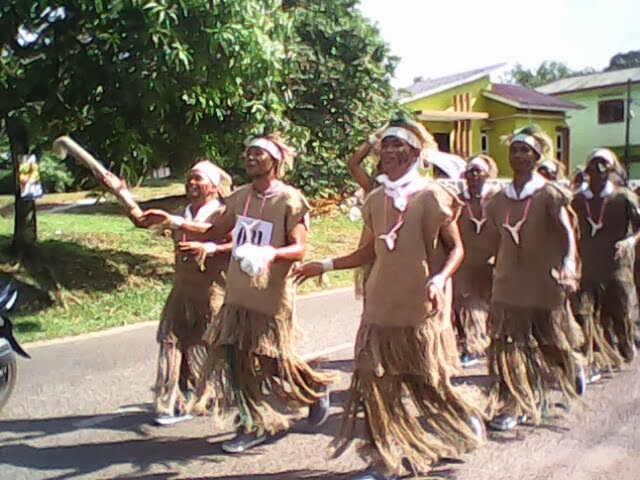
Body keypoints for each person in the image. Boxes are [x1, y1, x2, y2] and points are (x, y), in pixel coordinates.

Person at [293, 117, 484, 480]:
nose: (391, 152)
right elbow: (368, 252)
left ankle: (461, 416)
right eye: (386, 146)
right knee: (374, 382)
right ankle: (384, 458)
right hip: (380, 305)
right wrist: (325, 265)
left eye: (400, 145)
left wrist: (440, 278)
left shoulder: (433, 196)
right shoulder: (376, 198)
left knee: (427, 382)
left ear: (415, 152)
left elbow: (456, 248)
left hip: (420, 307)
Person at [142, 133, 334, 452]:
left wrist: (271, 253)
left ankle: (313, 387)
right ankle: (252, 423)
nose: (249, 158)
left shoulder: (290, 199)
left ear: (274, 161)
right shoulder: (240, 197)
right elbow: (216, 230)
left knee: (269, 357)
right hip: (237, 290)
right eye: (247, 153)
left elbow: (299, 249)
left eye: (257, 153)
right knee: (236, 357)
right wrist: (174, 221)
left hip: (272, 292)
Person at [484, 126, 584, 432]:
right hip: (507, 284)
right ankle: (513, 404)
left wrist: (568, 263)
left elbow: (567, 232)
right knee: (507, 345)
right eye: (514, 150)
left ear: (537, 156)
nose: (518, 156)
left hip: (542, 282)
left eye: (525, 150)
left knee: (548, 340)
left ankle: (569, 364)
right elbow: (492, 239)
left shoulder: (549, 194)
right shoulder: (498, 199)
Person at [143, 160, 233, 425]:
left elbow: (224, 237)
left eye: (198, 179)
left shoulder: (223, 214)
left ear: (214, 188)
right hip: (182, 291)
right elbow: (146, 221)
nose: (191, 184)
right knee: (171, 340)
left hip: (212, 292)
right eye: (189, 179)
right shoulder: (182, 212)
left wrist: (208, 247)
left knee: (215, 346)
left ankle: (215, 391)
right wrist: (123, 195)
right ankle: (173, 399)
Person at [570, 148, 640, 382]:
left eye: (603, 165)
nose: (598, 170)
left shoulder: (624, 197)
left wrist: (630, 240)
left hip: (617, 265)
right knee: (585, 312)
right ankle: (597, 354)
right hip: (589, 266)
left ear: (611, 170)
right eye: (594, 164)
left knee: (620, 313)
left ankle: (624, 346)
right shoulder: (578, 200)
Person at [453, 154, 499, 367]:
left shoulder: (496, 200)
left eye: (477, 171)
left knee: (490, 305)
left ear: (487, 174)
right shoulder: (457, 201)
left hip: (491, 263)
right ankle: (468, 346)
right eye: (469, 171)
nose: (472, 175)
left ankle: (491, 342)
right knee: (463, 305)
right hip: (465, 263)